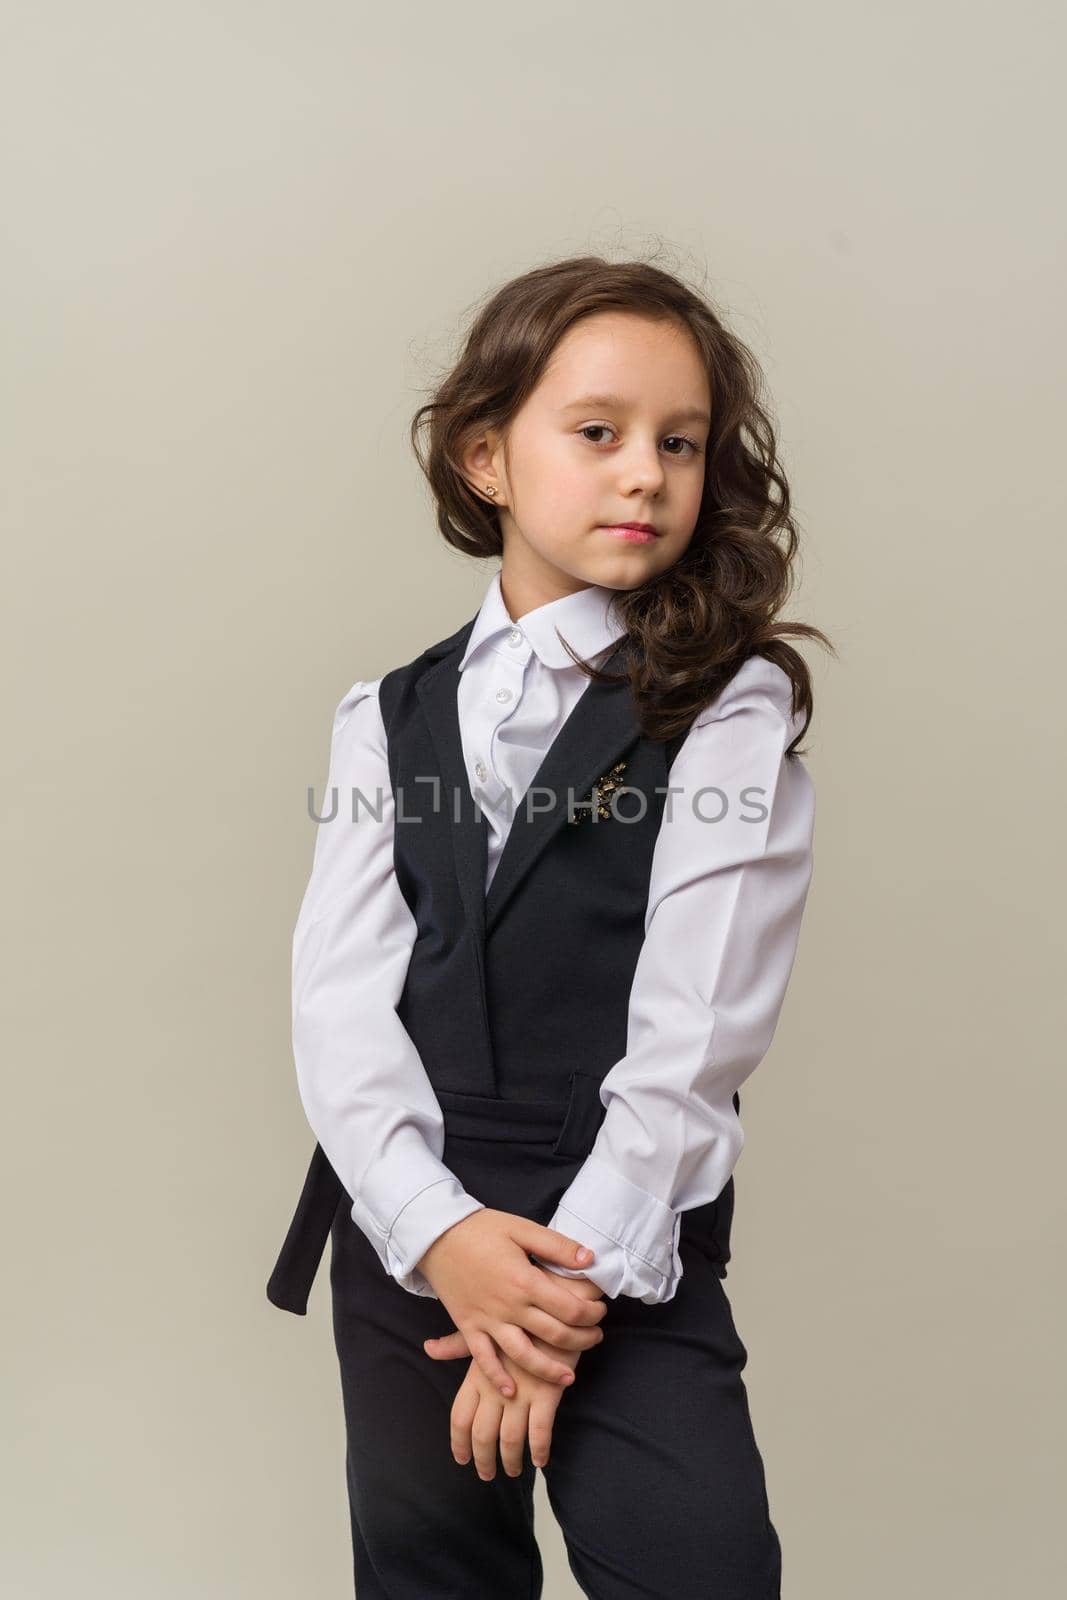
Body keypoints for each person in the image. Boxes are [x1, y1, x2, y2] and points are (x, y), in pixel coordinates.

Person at [267, 254, 832, 1599]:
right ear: (486, 457)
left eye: (679, 443)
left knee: (698, 1567)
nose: (646, 473)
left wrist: (558, 1300)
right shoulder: (385, 715)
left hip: (625, 1225)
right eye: (599, 433)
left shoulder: (729, 705)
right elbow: (338, 1004)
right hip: (415, 1229)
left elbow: (698, 1028)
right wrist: (438, 1233)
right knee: (433, 1574)